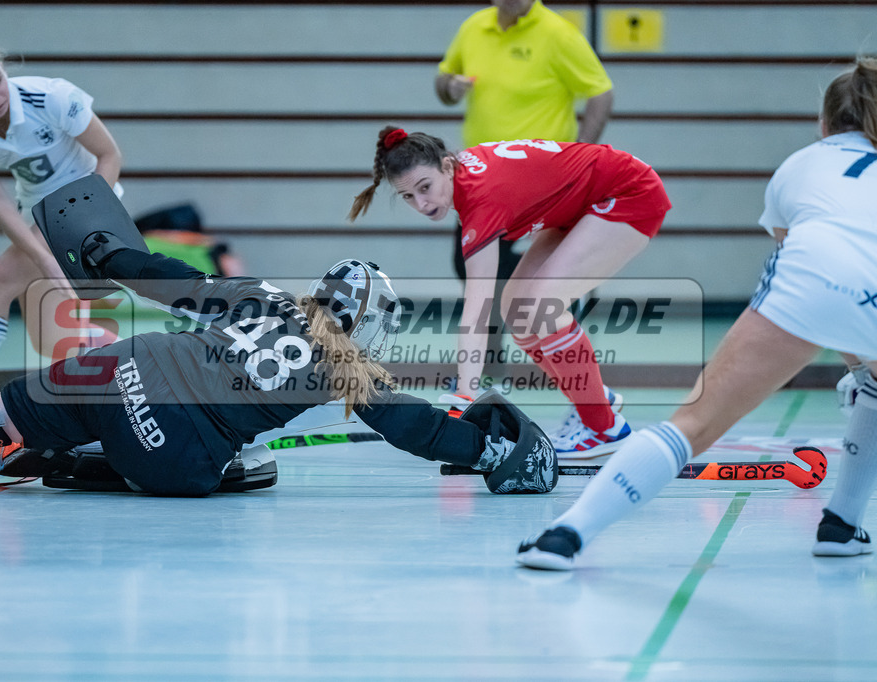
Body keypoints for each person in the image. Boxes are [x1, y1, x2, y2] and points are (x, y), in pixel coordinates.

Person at [0, 177, 558, 497]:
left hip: (126, 369)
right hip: (172, 462)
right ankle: (89, 463)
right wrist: (490, 453)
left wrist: (105, 252)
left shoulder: (265, 295)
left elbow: (166, 280)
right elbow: (412, 427)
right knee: (252, 467)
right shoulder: (347, 369)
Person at [517, 57, 877, 570]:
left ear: (823, 126)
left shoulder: (799, 165)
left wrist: (858, 362)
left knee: (692, 425)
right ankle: (841, 525)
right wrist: (861, 364)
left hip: (811, 276)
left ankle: (565, 535)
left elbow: (821, 287)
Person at [349, 127, 671, 457]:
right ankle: (594, 399)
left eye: (425, 188)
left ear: (447, 166)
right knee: (517, 312)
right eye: (408, 196)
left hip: (627, 191)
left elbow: (476, 311)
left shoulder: (480, 200)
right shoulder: (464, 179)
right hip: (581, 203)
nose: (421, 203)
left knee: (541, 306)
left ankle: (604, 428)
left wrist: (463, 399)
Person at [436, 0, 614, 371]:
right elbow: (443, 82)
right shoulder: (474, 27)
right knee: (470, 265)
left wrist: (581, 155)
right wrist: (451, 86)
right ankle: (490, 361)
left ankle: (571, 357)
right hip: (480, 179)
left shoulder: (558, 33)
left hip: (541, 182)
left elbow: (601, 93)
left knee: (550, 269)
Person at [0, 41, 124, 380]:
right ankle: (138, 367)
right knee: (54, 340)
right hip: (35, 210)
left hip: (83, 201)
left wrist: (88, 218)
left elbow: (110, 156)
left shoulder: (51, 97)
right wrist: (43, 257)